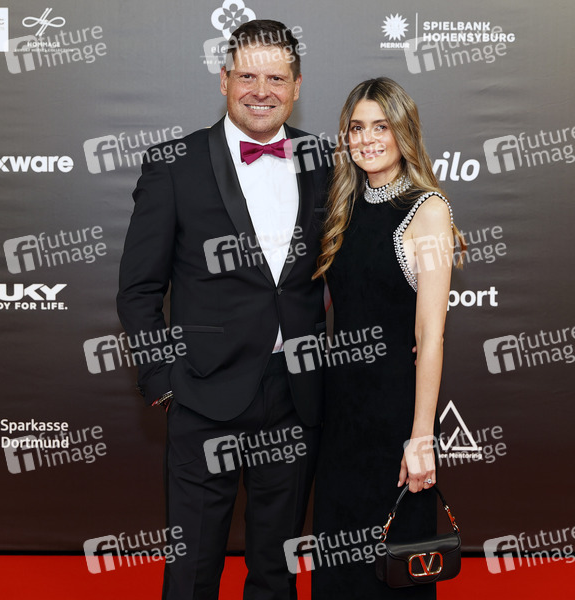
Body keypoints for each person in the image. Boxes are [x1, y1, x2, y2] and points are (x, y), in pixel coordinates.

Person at [116, 20, 333, 600]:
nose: (261, 91)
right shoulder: (174, 163)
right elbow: (138, 288)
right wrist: (163, 379)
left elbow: (352, 264)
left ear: (296, 86)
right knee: (191, 571)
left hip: (296, 396)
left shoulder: (324, 159)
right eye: (247, 77)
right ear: (223, 80)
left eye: (276, 79)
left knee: (276, 571)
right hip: (202, 393)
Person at [310, 77, 465, 599]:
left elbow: (430, 334)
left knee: (394, 565)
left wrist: (421, 439)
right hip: (341, 409)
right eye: (357, 128)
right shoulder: (343, 204)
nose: (367, 139)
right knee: (338, 559)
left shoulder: (429, 210)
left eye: (381, 126)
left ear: (404, 132)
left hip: (395, 408)